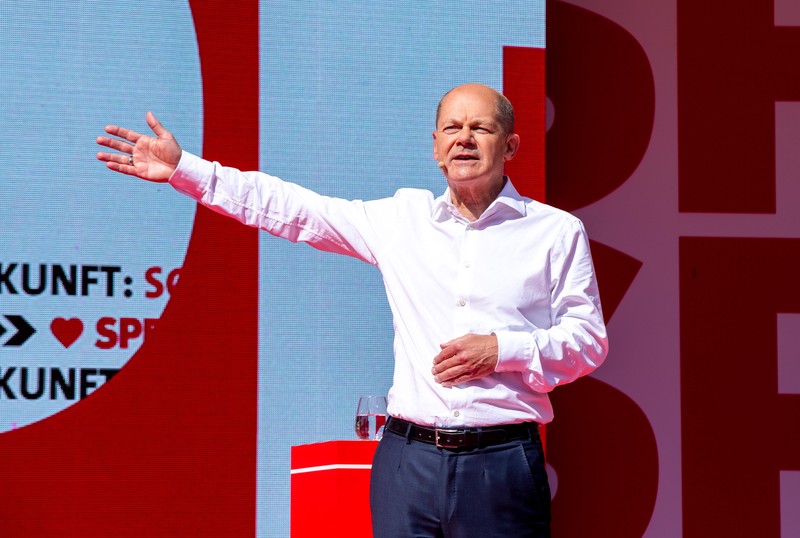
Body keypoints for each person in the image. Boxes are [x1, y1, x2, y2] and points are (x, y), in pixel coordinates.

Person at [96, 83, 607, 537]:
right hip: (408, 463)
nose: (465, 138)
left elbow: (588, 342)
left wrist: (503, 349)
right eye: (452, 127)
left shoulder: (554, 232)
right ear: (435, 146)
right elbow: (294, 210)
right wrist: (186, 170)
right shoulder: (401, 220)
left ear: (511, 145)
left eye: (481, 128)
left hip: (501, 462)